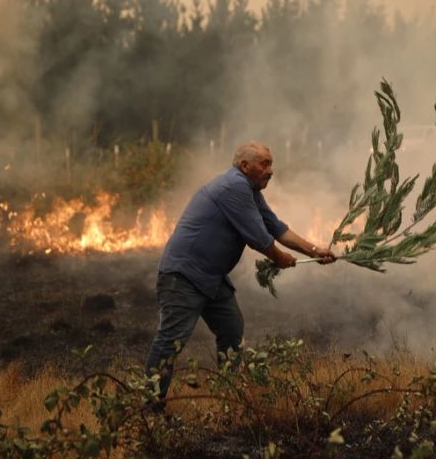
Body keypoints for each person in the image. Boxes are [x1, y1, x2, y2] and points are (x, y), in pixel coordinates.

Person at [144, 140, 336, 405]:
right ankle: (149, 406)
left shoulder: (251, 191)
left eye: (271, 164)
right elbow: (260, 238)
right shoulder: (234, 186)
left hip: (211, 278)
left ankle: (229, 398)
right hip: (185, 275)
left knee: (232, 330)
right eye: (264, 164)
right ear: (245, 166)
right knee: (170, 342)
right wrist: (281, 259)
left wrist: (315, 251)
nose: (271, 170)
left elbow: (277, 228)